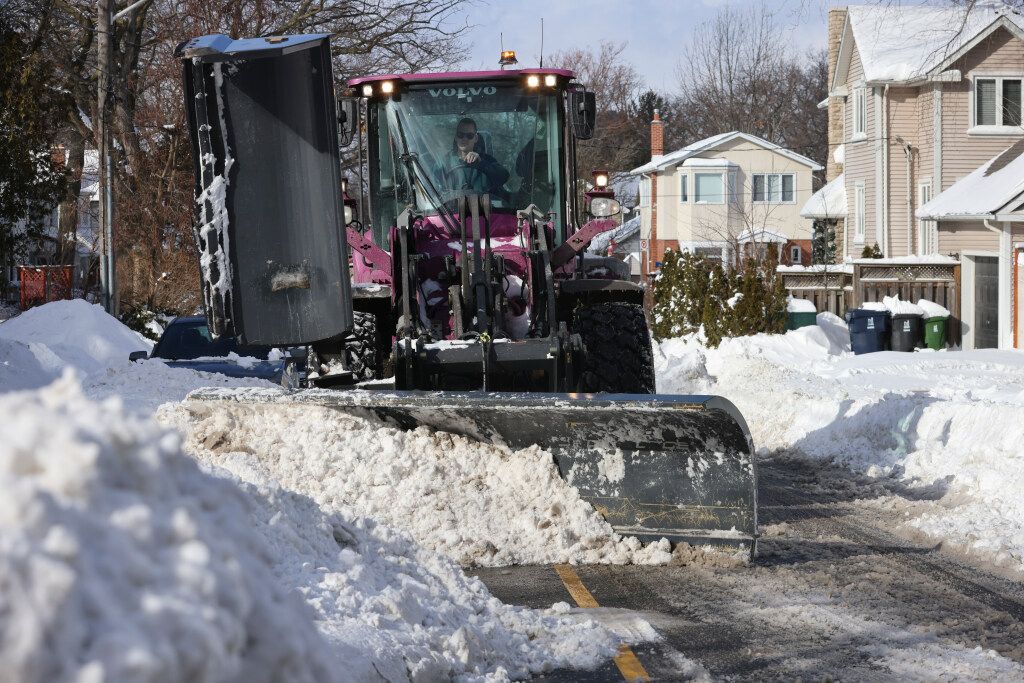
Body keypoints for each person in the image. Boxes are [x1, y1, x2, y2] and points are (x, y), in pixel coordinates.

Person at [440, 117, 509, 196]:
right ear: (456, 137)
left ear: (476, 138)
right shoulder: (444, 162)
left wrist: (482, 164)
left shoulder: (487, 160)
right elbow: (432, 186)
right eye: (460, 135)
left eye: (469, 135)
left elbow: (504, 176)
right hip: (449, 207)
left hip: (485, 207)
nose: (464, 139)